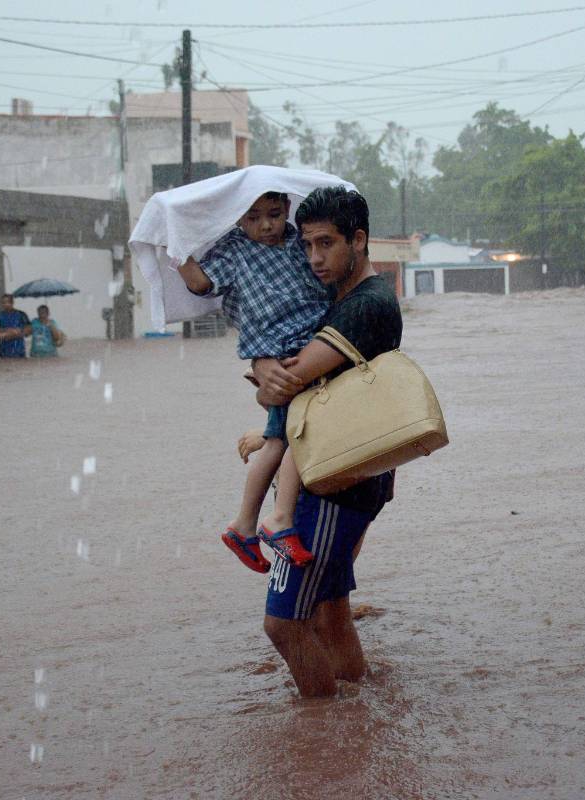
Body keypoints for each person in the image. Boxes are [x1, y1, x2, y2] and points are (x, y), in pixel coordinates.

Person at [251, 186, 402, 698]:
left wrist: (262, 367)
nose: (314, 258)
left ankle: (320, 726)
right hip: (347, 474)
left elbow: (287, 381)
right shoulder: (345, 298)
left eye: (326, 244)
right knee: (329, 610)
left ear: (358, 240)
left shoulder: (366, 305)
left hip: (332, 486)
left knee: (283, 624)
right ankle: (357, 714)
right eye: (307, 245)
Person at [175, 191, 330, 572]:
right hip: (282, 355)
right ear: (237, 219)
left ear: (287, 210)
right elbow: (200, 283)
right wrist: (174, 248)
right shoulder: (234, 250)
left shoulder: (299, 241)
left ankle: (246, 525)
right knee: (293, 437)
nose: (265, 225)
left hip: (310, 345)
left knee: (281, 439)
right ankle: (275, 519)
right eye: (253, 217)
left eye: (274, 214)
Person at [0, 294, 31, 359]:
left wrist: (14, 335)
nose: (5, 304)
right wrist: (9, 331)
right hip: (4, 350)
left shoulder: (21, 314)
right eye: (3, 302)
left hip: (18, 349)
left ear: (12, 302)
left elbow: (29, 330)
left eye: (8, 302)